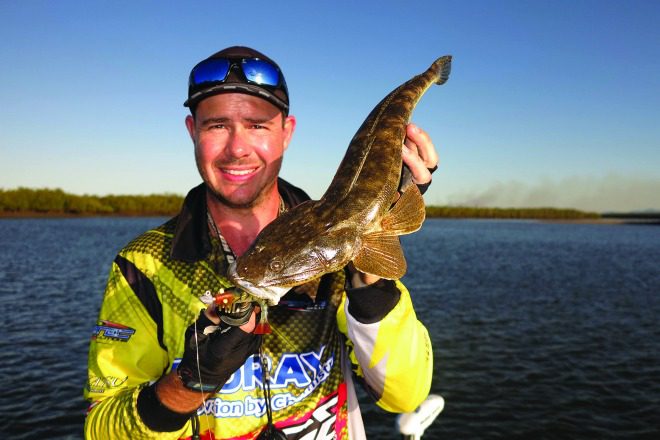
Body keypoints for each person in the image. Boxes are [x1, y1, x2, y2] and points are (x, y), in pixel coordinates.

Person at [84, 46, 438, 439]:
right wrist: (189, 382)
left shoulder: (340, 255)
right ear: (192, 131)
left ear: (286, 132)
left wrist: (375, 237)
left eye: (257, 125)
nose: (237, 148)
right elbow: (101, 430)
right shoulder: (145, 264)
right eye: (217, 125)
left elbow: (405, 396)